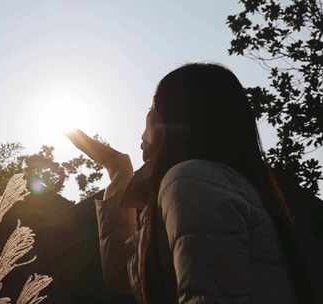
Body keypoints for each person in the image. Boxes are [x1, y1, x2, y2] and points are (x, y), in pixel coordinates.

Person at [66, 63, 314, 304]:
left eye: (151, 112)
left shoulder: (191, 180)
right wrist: (118, 170)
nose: (141, 133)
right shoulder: (202, 183)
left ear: (173, 120)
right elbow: (125, 276)